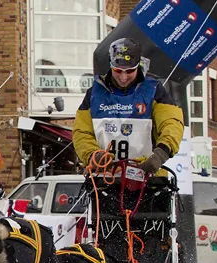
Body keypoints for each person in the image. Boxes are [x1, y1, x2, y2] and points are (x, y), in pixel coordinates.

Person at [73, 38, 183, 173]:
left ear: (138, 66)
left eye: (130, 71)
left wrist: (160, 154)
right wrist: (93, 154)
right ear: (110, 65)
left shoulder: (154, 90)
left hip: (147, 176)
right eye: (118, 70)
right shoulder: (95, 93)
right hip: (105, 177)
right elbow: (81, 132)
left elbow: (172, 124)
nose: (123, 77)